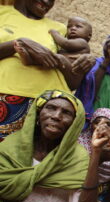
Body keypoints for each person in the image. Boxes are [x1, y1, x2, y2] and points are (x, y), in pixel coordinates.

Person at [0, 1, 93, 141]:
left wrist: (85, 61)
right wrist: (18, 43)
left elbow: (73, 81)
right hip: (6, 99)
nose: (47, 2)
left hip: (48, 107)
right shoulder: (3, 13)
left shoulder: (58, 29)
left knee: (35, 159)